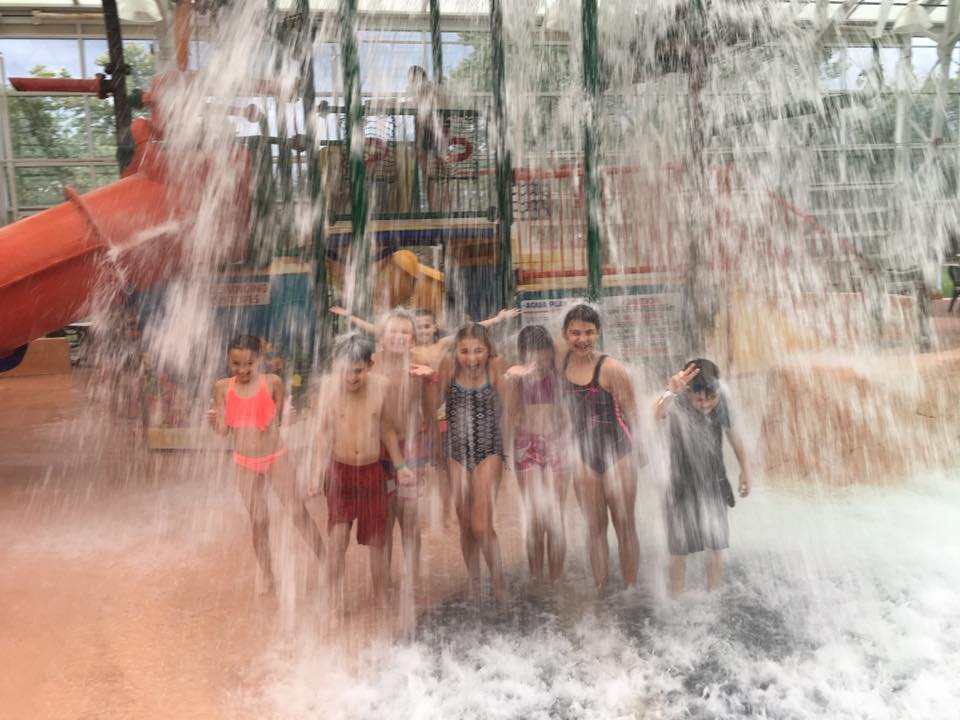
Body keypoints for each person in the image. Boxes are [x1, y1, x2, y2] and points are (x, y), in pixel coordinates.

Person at [207, 334, 325, 595]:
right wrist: (212, 422)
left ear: (259, 360)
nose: (243, 369)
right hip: (245, 463)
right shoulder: (222, 388)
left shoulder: (272, 382)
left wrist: (290, 417)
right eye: (236, 364)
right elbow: (224, 431)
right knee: (259, 521)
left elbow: (282, 419)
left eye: (249, 363)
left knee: (297, 513)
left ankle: (327, 563)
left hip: (275, 457)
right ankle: (268, 574)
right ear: (229, 361)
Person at [310, 333, 413, 612]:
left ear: (370, 364)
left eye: (358, 371)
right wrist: (316, 471)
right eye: (345, 371)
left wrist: (401, 465)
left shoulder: (382, 387)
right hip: (340, 473)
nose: (351, 378)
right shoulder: (328, 390)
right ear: (335, 365)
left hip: (372, 472)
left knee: (378, 541)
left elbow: (388, 430)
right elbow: (323, 434)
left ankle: (380, 594)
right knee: (337, 539)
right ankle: (333, 598)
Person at [559, 304, 642, 594]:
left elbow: (632, 411)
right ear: (565, 335)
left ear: (598, 333)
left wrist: (640, 451)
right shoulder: (561, 364)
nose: (582, 339)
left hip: (618, 451)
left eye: (589, 332)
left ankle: (631, 590)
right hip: (583, 455)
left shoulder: (611, 368)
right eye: (575, 333)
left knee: (624, 524)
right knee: (595, 528)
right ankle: (601, 588)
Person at [654, 358, 750, 595]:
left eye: (711, 398)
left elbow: (733, 434)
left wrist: (745, 469)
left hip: (714, 481)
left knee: (716, 544)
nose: (706, 404)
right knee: (679, 550)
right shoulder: (676, 401)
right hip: (679, 485)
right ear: (687, 393)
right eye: (698, 399)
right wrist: (670, 392)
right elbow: (658, 414)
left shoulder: (721, 402)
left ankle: (713, 593)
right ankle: (676, 596)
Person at [430, 323, 508, 604]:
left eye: (478, 351)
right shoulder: (448, 367)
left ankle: (499, 586)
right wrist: (434, 447)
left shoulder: (497, 367)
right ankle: (475, 583)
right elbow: (432, 407)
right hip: (455, 450)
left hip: (489, 448)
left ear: (488, 351)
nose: (472, 358)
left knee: (481, 525)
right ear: (456, 351)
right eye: (465, 351)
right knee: (465, 525)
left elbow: (512, 409)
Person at [370, 310, 435, 593]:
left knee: (409, 519)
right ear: (381, 338)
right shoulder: (369, 368)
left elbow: (432, 412)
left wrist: (433, 378)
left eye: (405, 332)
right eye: (392, 331)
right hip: (378, 454)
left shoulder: (419, 369)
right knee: (382, 523)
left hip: (412, 449)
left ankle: (413, 579)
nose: (398, 336)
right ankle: (381, 586)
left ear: (413, 340)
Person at [504, 325, 568, 585]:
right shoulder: (517, 377)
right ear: (523, 357)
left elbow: (567, 346)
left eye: (545, 357)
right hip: (526, 445)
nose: (540, 364)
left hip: (557, 445)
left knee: (554, 515)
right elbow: (508, 410)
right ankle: (536, 577)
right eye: (534, 358)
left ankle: (555, 578)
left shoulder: (560, 372)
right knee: (534, 516)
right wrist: (512, 376)